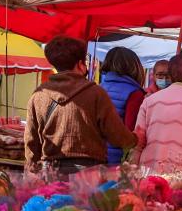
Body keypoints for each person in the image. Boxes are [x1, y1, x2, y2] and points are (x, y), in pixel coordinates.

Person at [25, 36, 137, 174]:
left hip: (51, 172)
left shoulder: (38, 96)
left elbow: (31, 143)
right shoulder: (96, 93)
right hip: (89, 175)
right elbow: (117, 135)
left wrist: (32, 170)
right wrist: (134, 139)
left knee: (55, 197)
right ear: (80, 64)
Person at [99, 47, 147, 165]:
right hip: (117, 159)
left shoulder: (98, 88)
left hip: (95, 154)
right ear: (135, 67)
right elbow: (131, 130)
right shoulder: (134, 93)